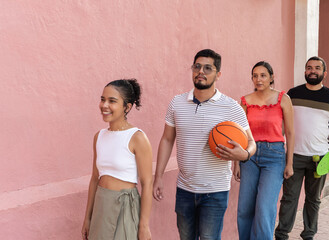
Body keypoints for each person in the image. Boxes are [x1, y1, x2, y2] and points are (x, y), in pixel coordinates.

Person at [152, 49, 256, 240]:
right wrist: (158, 176)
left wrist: (244, 155)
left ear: (218, 74)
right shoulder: (177, 103)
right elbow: (167, 139)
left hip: (215, 191)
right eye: (197, 66)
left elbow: (251, 142)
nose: (201, 71)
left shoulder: (231, 107)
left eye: (208, 68)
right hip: (184, 188)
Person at [275, 56, 329, 240]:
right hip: (293, 156)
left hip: (319, 158)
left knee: (314, 200)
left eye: (317, 68)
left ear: (324, 73)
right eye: (309, 68)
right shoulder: (292, 94)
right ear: (305, 71)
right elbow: (282, 123)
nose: (313, 71)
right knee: (289, 198)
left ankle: (309, 234)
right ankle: (282, 234)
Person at [81, 79, 153, 240]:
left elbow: (147, 183)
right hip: (101, 205)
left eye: (112, 101)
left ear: (127, 107)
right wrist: (87, 218)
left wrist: (144, 226)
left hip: (126, 207)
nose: (104, 105)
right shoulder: (99, 137)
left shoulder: (137, 137)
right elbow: (94, 179)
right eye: (102, 99)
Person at [232, 61, 294, 240]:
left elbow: (289, 132)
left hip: (274, 156)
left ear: (272, 77)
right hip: (249, 156)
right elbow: (239, 134)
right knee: (245, 207)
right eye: (255, 76)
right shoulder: (245, 101)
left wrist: (289, 163)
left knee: (264, 207)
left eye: (263, 75)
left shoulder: (283, 98)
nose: (258, 79)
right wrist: (237, 163)